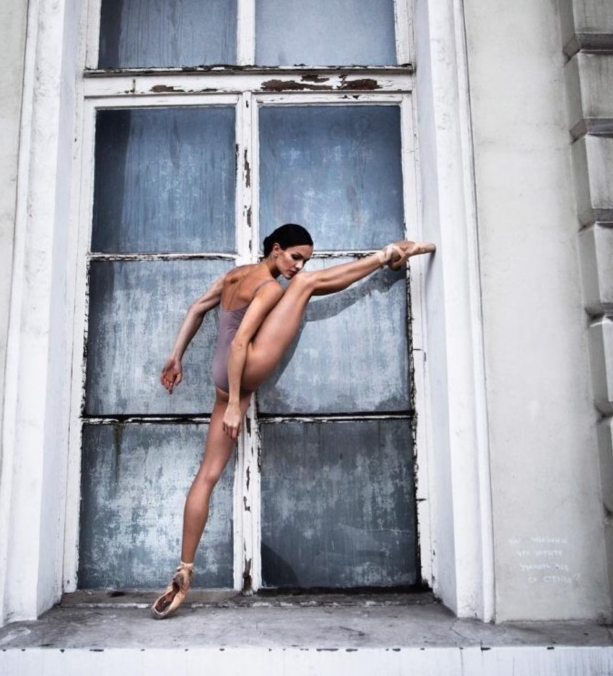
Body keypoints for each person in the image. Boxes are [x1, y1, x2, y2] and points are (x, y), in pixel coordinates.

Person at [150, 224, 435, 619]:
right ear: (276, 248)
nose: (298, 266)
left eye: (304, 260)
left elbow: (197, 308)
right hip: (241, 370)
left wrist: (176, 356)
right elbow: (239, 342)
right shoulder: (268, 288)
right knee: (306, 286)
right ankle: (386, 255)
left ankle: (184, 570)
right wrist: (235, 405)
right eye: (295, 257)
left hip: (220, 379)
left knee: (207, 476)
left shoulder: (233, 276)